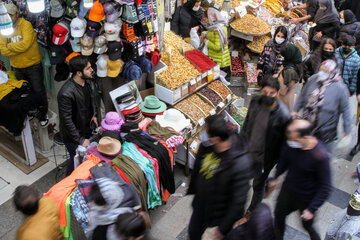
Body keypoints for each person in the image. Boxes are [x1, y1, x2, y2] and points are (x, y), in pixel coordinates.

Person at [187, 115, 252, 240]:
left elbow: (238, 202)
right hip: (200, 206)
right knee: (193, 232)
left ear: (216, 139)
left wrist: (222, 229)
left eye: (205, 131)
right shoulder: (207, 146)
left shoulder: (240, 164)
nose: (202, 134)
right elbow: (198, 168)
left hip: (216, 216)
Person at [240, 77, 291, 224]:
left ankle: (252, 211)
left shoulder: (283, 116)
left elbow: (284, 147)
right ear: (260, 90)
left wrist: (276, 175)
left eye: (272, 93)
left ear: (278, 92)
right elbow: (247, 123)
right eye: (265, 92)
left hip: (265, 160)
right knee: (242, 180)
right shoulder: (255, 101)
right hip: (248, 151)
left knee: (258, 185)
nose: (268, 95)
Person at [269, 119, 332, 240]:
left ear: (306, 137)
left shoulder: (320, 156)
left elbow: (326, 187)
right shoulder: (292, 144)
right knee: (278, 217)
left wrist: (311, 209)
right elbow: (284, 161)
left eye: (295, 139)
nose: (291, 142)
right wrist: (276, 176)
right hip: (288, 192)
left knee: (307, 226)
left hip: (306, 199)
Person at [0, 3, 48, 126]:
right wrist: (15, 47)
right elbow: (3, 50)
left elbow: (25, 44)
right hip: (17, 67)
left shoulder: (25, 25)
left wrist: (9, 45)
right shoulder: (3, 27)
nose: (9, 18)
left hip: (33, 65)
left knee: (39, 91)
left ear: (16, 14)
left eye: (11, 15)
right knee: (25, 92)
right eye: (7, 16)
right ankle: (30, 112)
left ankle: (43, 114)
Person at [292, 59, 351, 153]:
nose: (322, 73)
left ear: (333, 72)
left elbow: (346, 109)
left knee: (319, 156)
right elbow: (302, 95)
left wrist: (347, 131)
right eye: (321, 70)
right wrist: (295, 110)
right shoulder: (314, 79)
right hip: (307, 125)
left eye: (325, 71)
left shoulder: (340, 88)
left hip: (325, 132)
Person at [57, 55, 97, 176]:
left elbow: (91, 101)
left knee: (85, 160)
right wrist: (79, 139)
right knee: (75, 161)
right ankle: (68, 181)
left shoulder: (87, 83)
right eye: (88, 68)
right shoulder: (65, 93)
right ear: (79, 73)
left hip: (86, 129)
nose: (92, 70)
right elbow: (66, 120)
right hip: (73, 136)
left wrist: (94, 115)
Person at [203, 8, 231, 76]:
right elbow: (213, 36)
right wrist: (205, 33)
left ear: (211, 17)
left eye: (206, 17)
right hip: (218, 59)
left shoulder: (217, 29)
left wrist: (206, 41)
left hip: (220, 62)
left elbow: (217, 47)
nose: (205, 20)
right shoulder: (216, 26)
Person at [278, 43, 303, 110]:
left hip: (284, 103)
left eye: (283, 55)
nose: (281, 57)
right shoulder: (293, 65)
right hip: (286, 101)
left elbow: (283, 91)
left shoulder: (289, 71)